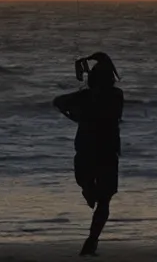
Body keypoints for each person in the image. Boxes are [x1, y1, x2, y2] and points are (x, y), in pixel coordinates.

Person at [53, 52, 124, 256]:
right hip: (107, 151)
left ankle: (91, 240)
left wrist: (74, 115)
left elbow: (58, 101)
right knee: (103, 199)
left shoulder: (87, 97)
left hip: (89, 149)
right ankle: (92, 240)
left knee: (93, 189)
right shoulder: (115, 96)